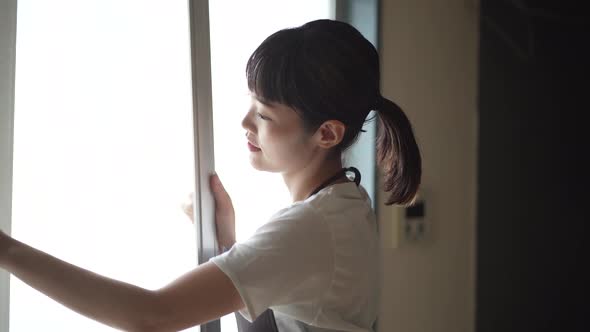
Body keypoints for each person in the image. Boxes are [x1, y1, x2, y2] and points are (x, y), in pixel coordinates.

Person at [0, 19, 421, 331]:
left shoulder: (313, 227)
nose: (244, 123)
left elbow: (153, 314)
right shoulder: (342, 209)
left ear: (327, 133)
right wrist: (226, 244)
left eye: (263, 114)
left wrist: (8, 252)